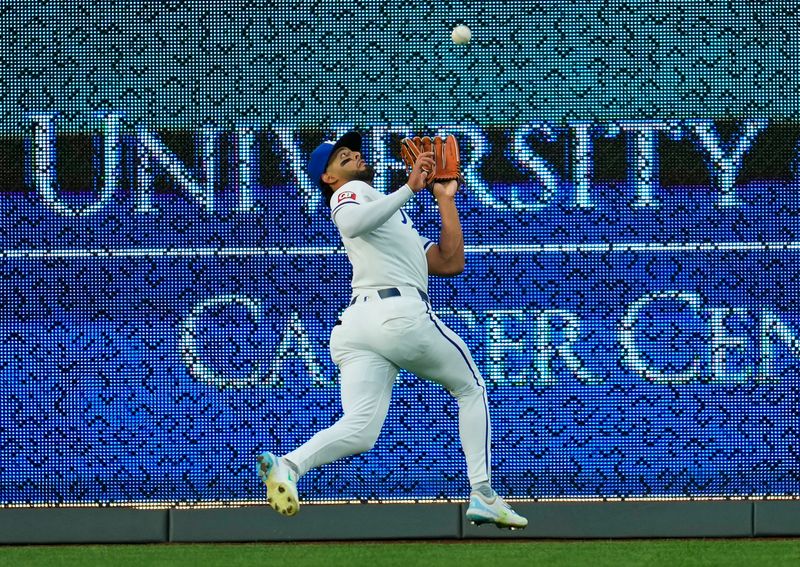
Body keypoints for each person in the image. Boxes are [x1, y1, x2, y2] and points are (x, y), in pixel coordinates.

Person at [257, 131, 527, 530]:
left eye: (352, 150)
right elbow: (349, 223)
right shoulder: (351, 194)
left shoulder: (391, 216)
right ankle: (483, 494)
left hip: (357, 327)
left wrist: (444, 198)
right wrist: (409, 187)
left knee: (361, 429)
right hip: (397, 314)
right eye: (339, 156)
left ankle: (289, 465)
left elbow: (448, 262)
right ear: (328, 178)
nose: (351, 153)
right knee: (470, 388)